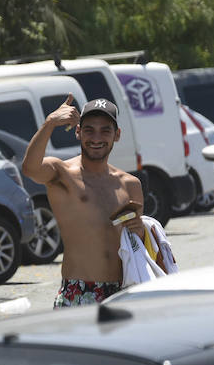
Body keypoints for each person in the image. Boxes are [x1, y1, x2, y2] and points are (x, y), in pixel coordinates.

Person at [23, 96, 144, 307]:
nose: (96, 137)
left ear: (117, 135)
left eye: (105, 130)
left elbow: (135, 243)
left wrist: (140, 230)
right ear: (78, 132)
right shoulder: (62, 173)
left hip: (123, 291)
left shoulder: (130, 184)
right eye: (89, 130)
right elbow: (30, 169)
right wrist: (50, 122)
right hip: (80, 291)